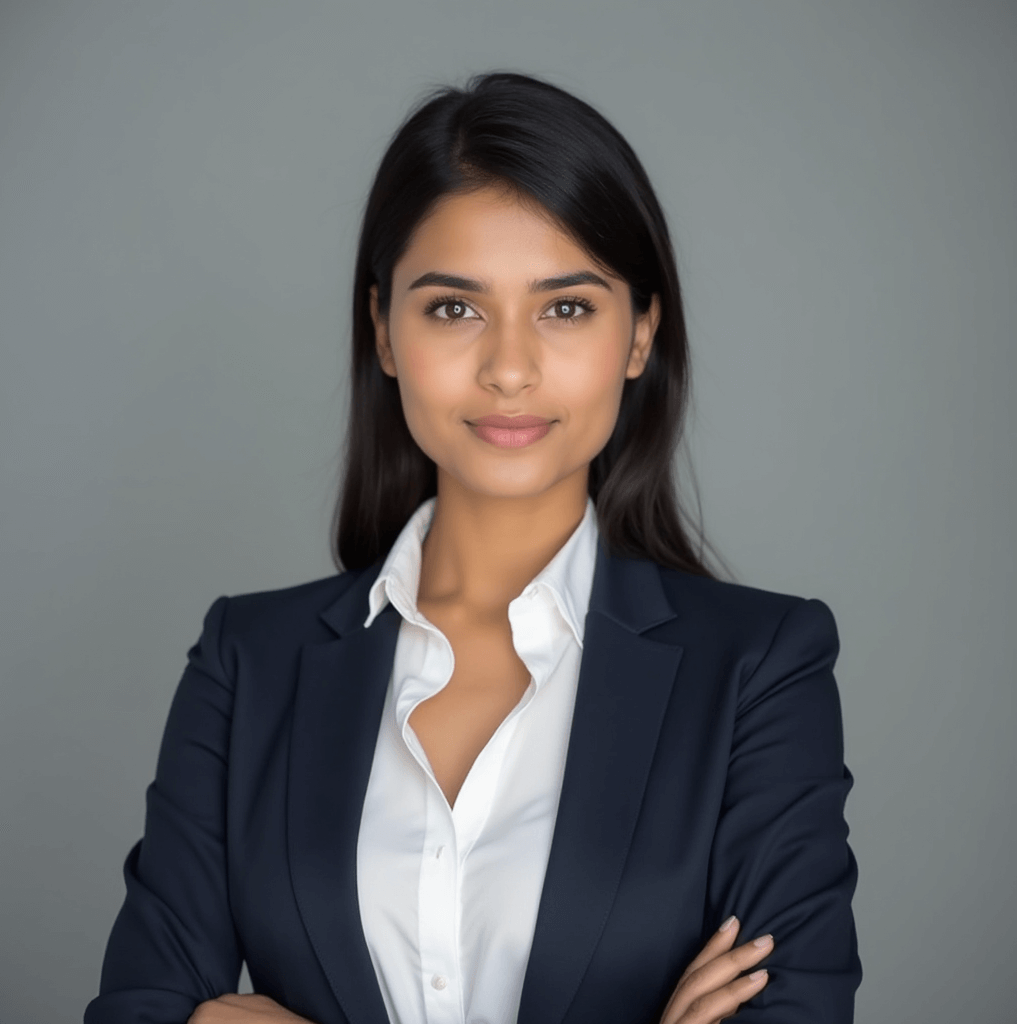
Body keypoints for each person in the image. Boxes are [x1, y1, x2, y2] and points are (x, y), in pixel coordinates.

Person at [85, 71, 861, 1024]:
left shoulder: (758, 672)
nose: (508, 367)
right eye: (454, 307)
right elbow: (137, 1009)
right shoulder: (249, 663)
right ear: (383, 330)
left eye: (566, 307)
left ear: (640, 334)